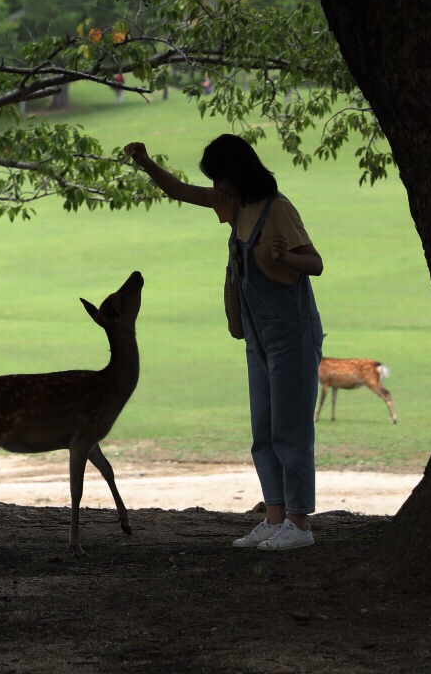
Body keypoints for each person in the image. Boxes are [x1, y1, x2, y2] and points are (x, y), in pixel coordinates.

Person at [124, 136, 325, 551]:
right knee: (263, 431)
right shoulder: (236, 207)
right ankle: (274, 519)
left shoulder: (278, 209)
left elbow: (315, 263)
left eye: (220, 179)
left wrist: (286, 257)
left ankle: (299, 524)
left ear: (239, 174)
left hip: (291, 335)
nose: (216, 188)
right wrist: (146, 162)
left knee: (290, 431)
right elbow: (179, 191)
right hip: (258, 336)